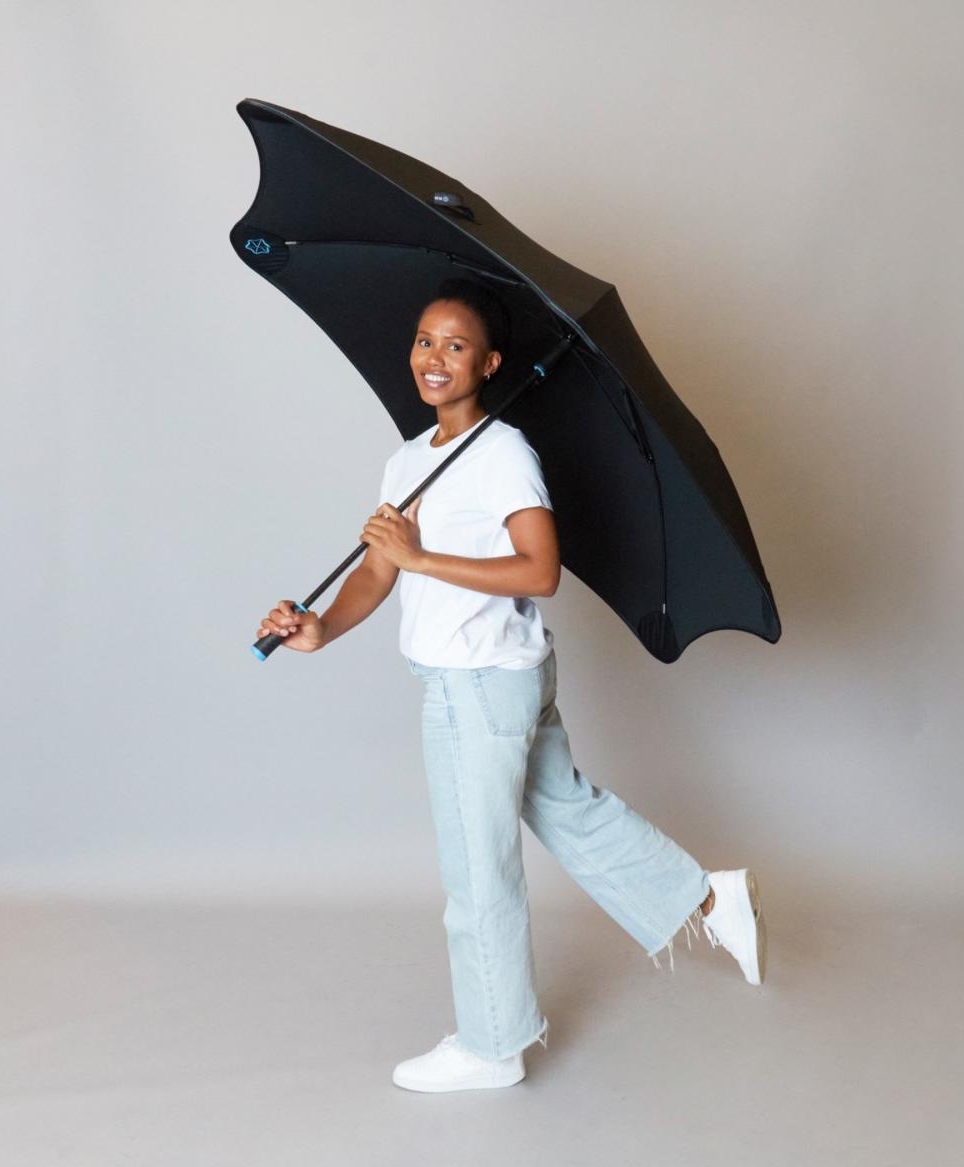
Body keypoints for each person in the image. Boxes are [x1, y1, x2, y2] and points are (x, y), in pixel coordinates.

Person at [255, 278, 767, 1093]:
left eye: (456, 345)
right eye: (425, 340)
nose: (434, 357)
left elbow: (540, 569)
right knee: (570, 811)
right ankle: (709, 899)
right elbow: (378, 572)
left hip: (477, 688)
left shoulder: (503, 454)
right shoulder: (408, 459)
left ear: (489, 363)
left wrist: (422, 555)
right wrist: (320, 627)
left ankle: (493, 1047)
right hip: (497, 679)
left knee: (477, 870)